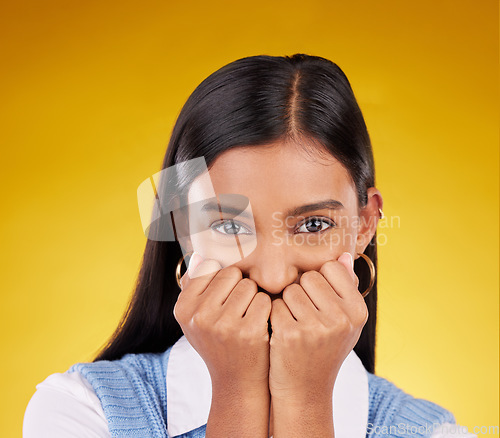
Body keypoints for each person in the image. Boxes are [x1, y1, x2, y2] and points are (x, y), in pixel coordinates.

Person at [23, 53, 476, 438]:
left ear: (363, 225)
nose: (274, 276)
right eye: (227, 226)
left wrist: (305, 401)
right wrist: (236, 392)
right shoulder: (80, 412)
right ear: (178, 225)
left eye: (314, 224)